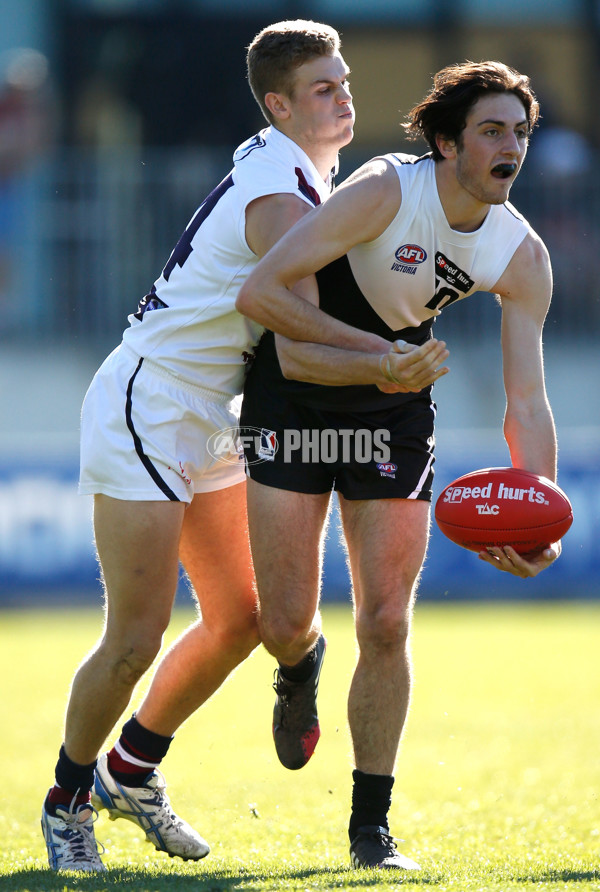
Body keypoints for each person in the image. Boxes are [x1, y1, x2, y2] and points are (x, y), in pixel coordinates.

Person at [40, 20, 407, 874]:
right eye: (324, 87)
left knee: (241, 618)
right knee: (134, 635)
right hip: (153, 398)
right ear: (278, 105)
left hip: (213, 409)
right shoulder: (281, 186)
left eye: (345, 80)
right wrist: (389, 359)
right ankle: (66, 803)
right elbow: (291, 320)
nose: (345, 95)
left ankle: (131, 771)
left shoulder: (310, 169)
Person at [235, 60, 561, 871]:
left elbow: (526, 401)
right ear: (448, 142)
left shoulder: (522, 256)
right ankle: (298, 662)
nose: (511, 146)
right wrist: (379, 353)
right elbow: (263, 291)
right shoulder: (386, 189)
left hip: (394, 410)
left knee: (385, 621)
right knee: (280, 624)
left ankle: (370, 830)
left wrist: (540, 510)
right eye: (492, 130)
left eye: (520, 132)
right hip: (297, 396)